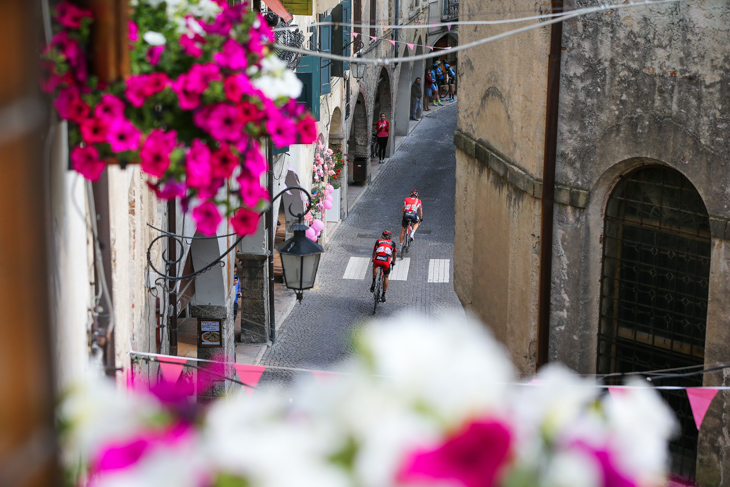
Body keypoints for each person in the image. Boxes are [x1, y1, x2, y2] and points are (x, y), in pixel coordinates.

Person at [371, 230, 397, 302]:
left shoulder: (378, 241)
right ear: (390, 237)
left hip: (378, 258)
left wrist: (373, 259)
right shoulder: (393, 243)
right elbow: (394, 255)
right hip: (386, 260)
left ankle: (373, 281)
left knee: (375, 266)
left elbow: (374, 252)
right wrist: (393, 262)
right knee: (386, 276)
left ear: (382, 235)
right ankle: (383, 295)